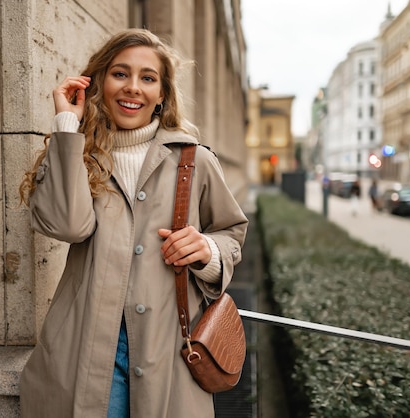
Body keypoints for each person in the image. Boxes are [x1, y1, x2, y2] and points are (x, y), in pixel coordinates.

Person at [18, 28, 248, 418]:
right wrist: (66, 128)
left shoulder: (194, 160)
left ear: (162, 94)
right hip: (85, 355)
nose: (133, 88)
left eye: (148, 78)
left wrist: (206, 250)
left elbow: (231, 234)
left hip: (169, 354)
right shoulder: (76, 151)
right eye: (120, 74)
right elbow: (67, 225)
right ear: (99, 82)